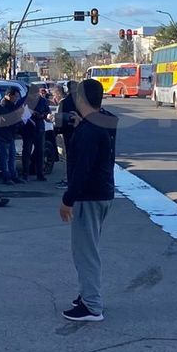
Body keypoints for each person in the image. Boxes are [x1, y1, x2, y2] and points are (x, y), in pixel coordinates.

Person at [59, 78, 117, 323]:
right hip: (102, 193)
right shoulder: (103, 121)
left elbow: (82, 169)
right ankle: (87, 296)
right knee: (88, 248)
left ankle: (92, 305)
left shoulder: (89, 132)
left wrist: (67, 199)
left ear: (80, 99)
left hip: (88, 196)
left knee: (85, 252)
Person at [0, 87, 24, 184]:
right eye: (15, 97)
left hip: (9, 135)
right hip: (1, 135)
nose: (16, 99)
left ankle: (14, 176)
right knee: (5, 157)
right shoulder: (2, 105)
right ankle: (6, 177)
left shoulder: (11, 104)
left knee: (12, 156)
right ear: (10, 95)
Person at [55, 81, 80, 189]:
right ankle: (76, 179)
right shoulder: (82, 102)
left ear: (68, 89)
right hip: (80, 132)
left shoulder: (64, 102)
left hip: (67, 133)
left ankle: (67, 180)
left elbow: (59, 119)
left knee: (68, 157)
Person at [21, 88, 50, 181]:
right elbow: (18, 111)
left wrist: (42, 115)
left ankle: (40, 174)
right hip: (27, 129)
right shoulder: (24, 100)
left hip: (39, 128)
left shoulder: (42, 101)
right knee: (26, 151)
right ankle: (25, 173)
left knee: (40, 151)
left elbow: (47, 112)